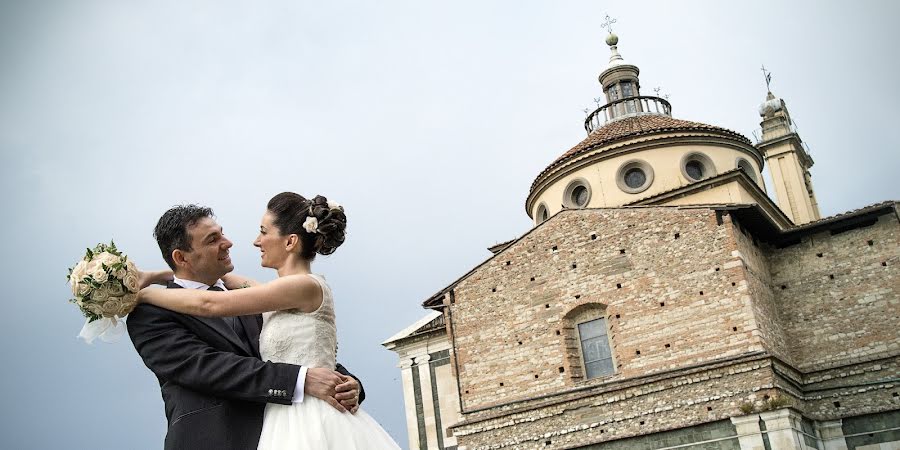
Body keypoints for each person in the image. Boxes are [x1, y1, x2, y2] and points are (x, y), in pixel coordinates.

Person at [138, 193, 400, 449]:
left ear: (290, 242)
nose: (230, 242)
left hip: (296, 429)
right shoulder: (152, 315)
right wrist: (154, 283)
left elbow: (303, 351)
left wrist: (345, 383)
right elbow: (211, 367)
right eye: (213, 239)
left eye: (222, 233)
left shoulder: (261, 297)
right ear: (181, 257)